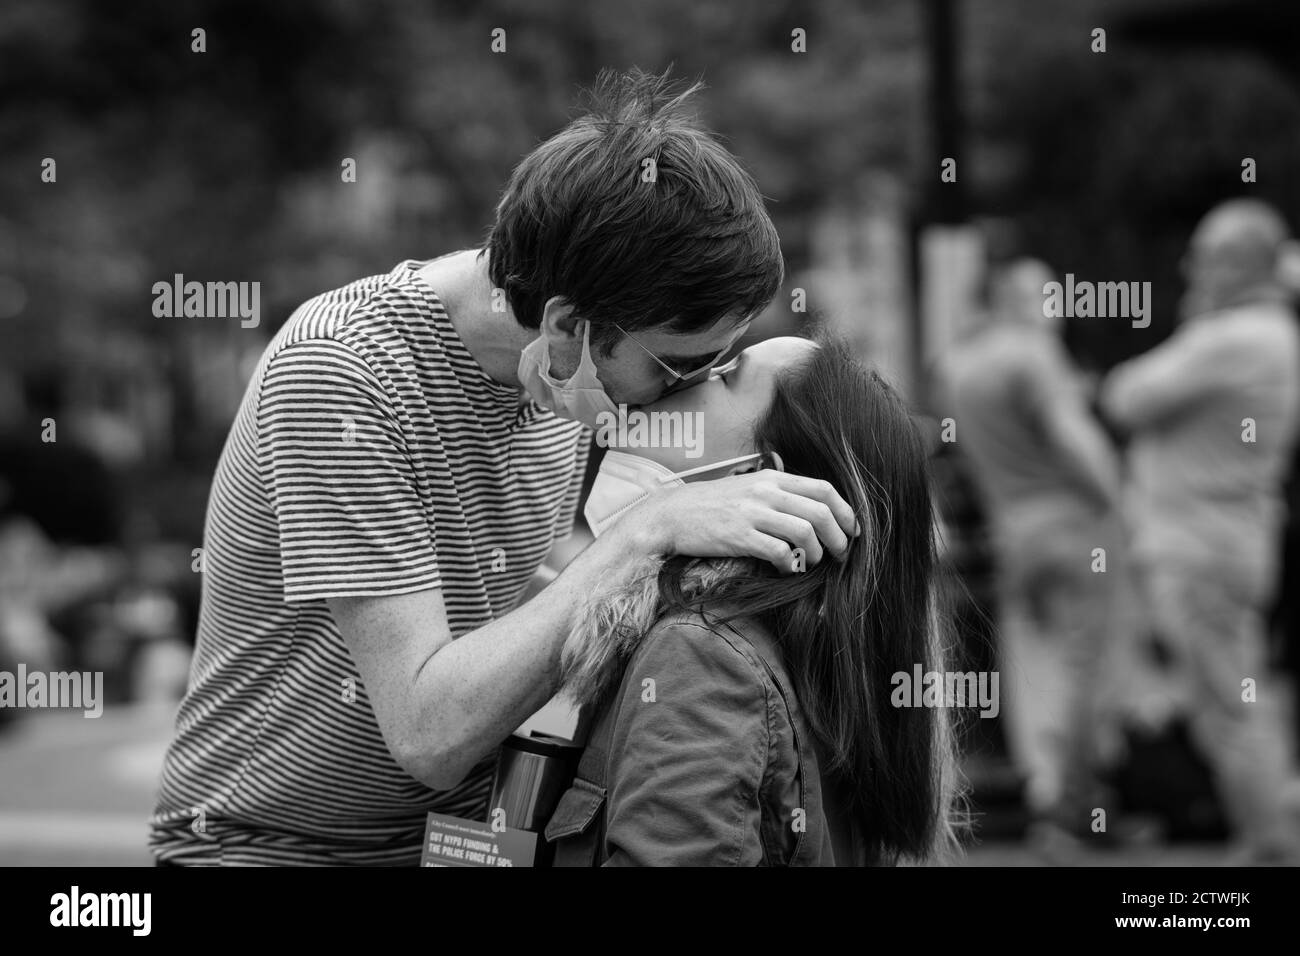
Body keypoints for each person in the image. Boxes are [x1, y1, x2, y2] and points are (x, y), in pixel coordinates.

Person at [148, 70, 858, 866]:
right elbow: (428, 731)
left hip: (460, 844)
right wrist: (643, 537)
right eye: (672, 365)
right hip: (275, 849)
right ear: (567, 326)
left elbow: (505, 614)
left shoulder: (552, 385)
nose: (679, 393)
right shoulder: (347, 374)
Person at [546, 336, 967, 866]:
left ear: (764, 481)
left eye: (723, 375)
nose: (683, 380)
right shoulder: (798, 646)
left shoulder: (701, 655)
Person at [1100, 198, 1300, 863]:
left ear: (1234, 264)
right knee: (1231, 694)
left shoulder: (1235, 336)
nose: (1190, 269)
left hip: (1202, 546)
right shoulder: (1269, 333)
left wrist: (1196, 320)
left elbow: (1124, 395)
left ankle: (1267, 845)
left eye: (1202, 256)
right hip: (1227, 540)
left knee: (1229, 703)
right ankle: (1264, 835)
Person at [940, 258, 1124, 851]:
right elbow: (1076, 443)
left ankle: (1048, 798)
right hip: (1075, 526)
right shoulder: (1032, 354)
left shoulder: (958, 365)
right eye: (1046, 295)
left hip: (1014, 531)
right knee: (1082, 668)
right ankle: (1074, 812)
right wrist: (1118, 499)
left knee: (1032, 673)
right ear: (1012, 298)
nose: (1057, 308)